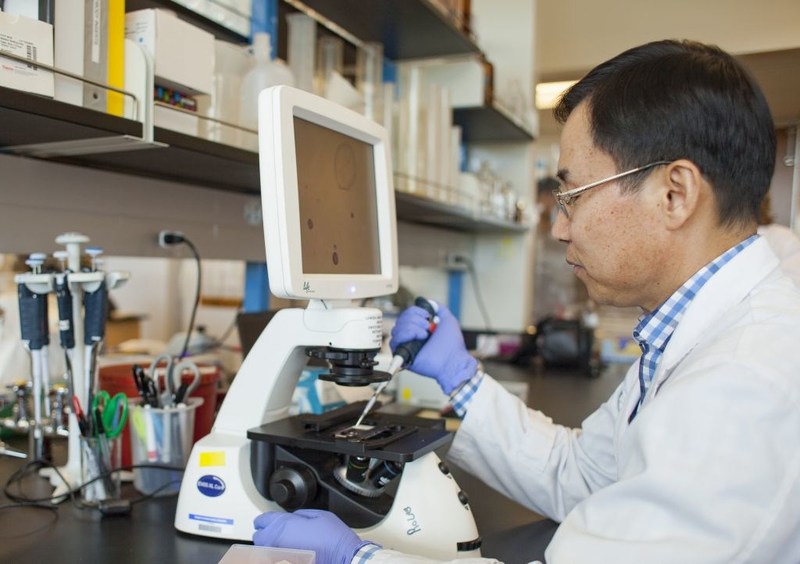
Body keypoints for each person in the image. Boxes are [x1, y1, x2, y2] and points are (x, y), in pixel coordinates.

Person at [252, 39, 800, 563]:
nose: (561, 227)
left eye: (573, 196)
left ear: (674, 194)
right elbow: (580, 475)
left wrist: (358, 558)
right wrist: (462, 379)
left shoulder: (742, 387)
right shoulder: (698, 336)